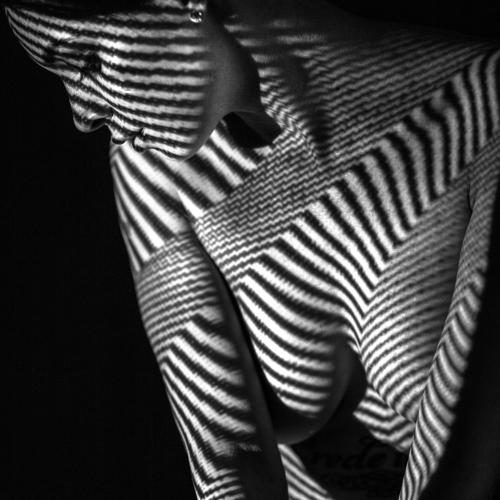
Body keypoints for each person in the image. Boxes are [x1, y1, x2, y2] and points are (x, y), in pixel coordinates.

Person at [5, 0, 500, 498]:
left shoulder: (484, 112)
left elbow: (459, 475)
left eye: (87, 59)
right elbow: (226, 461)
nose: (81, 115)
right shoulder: (157, 166)